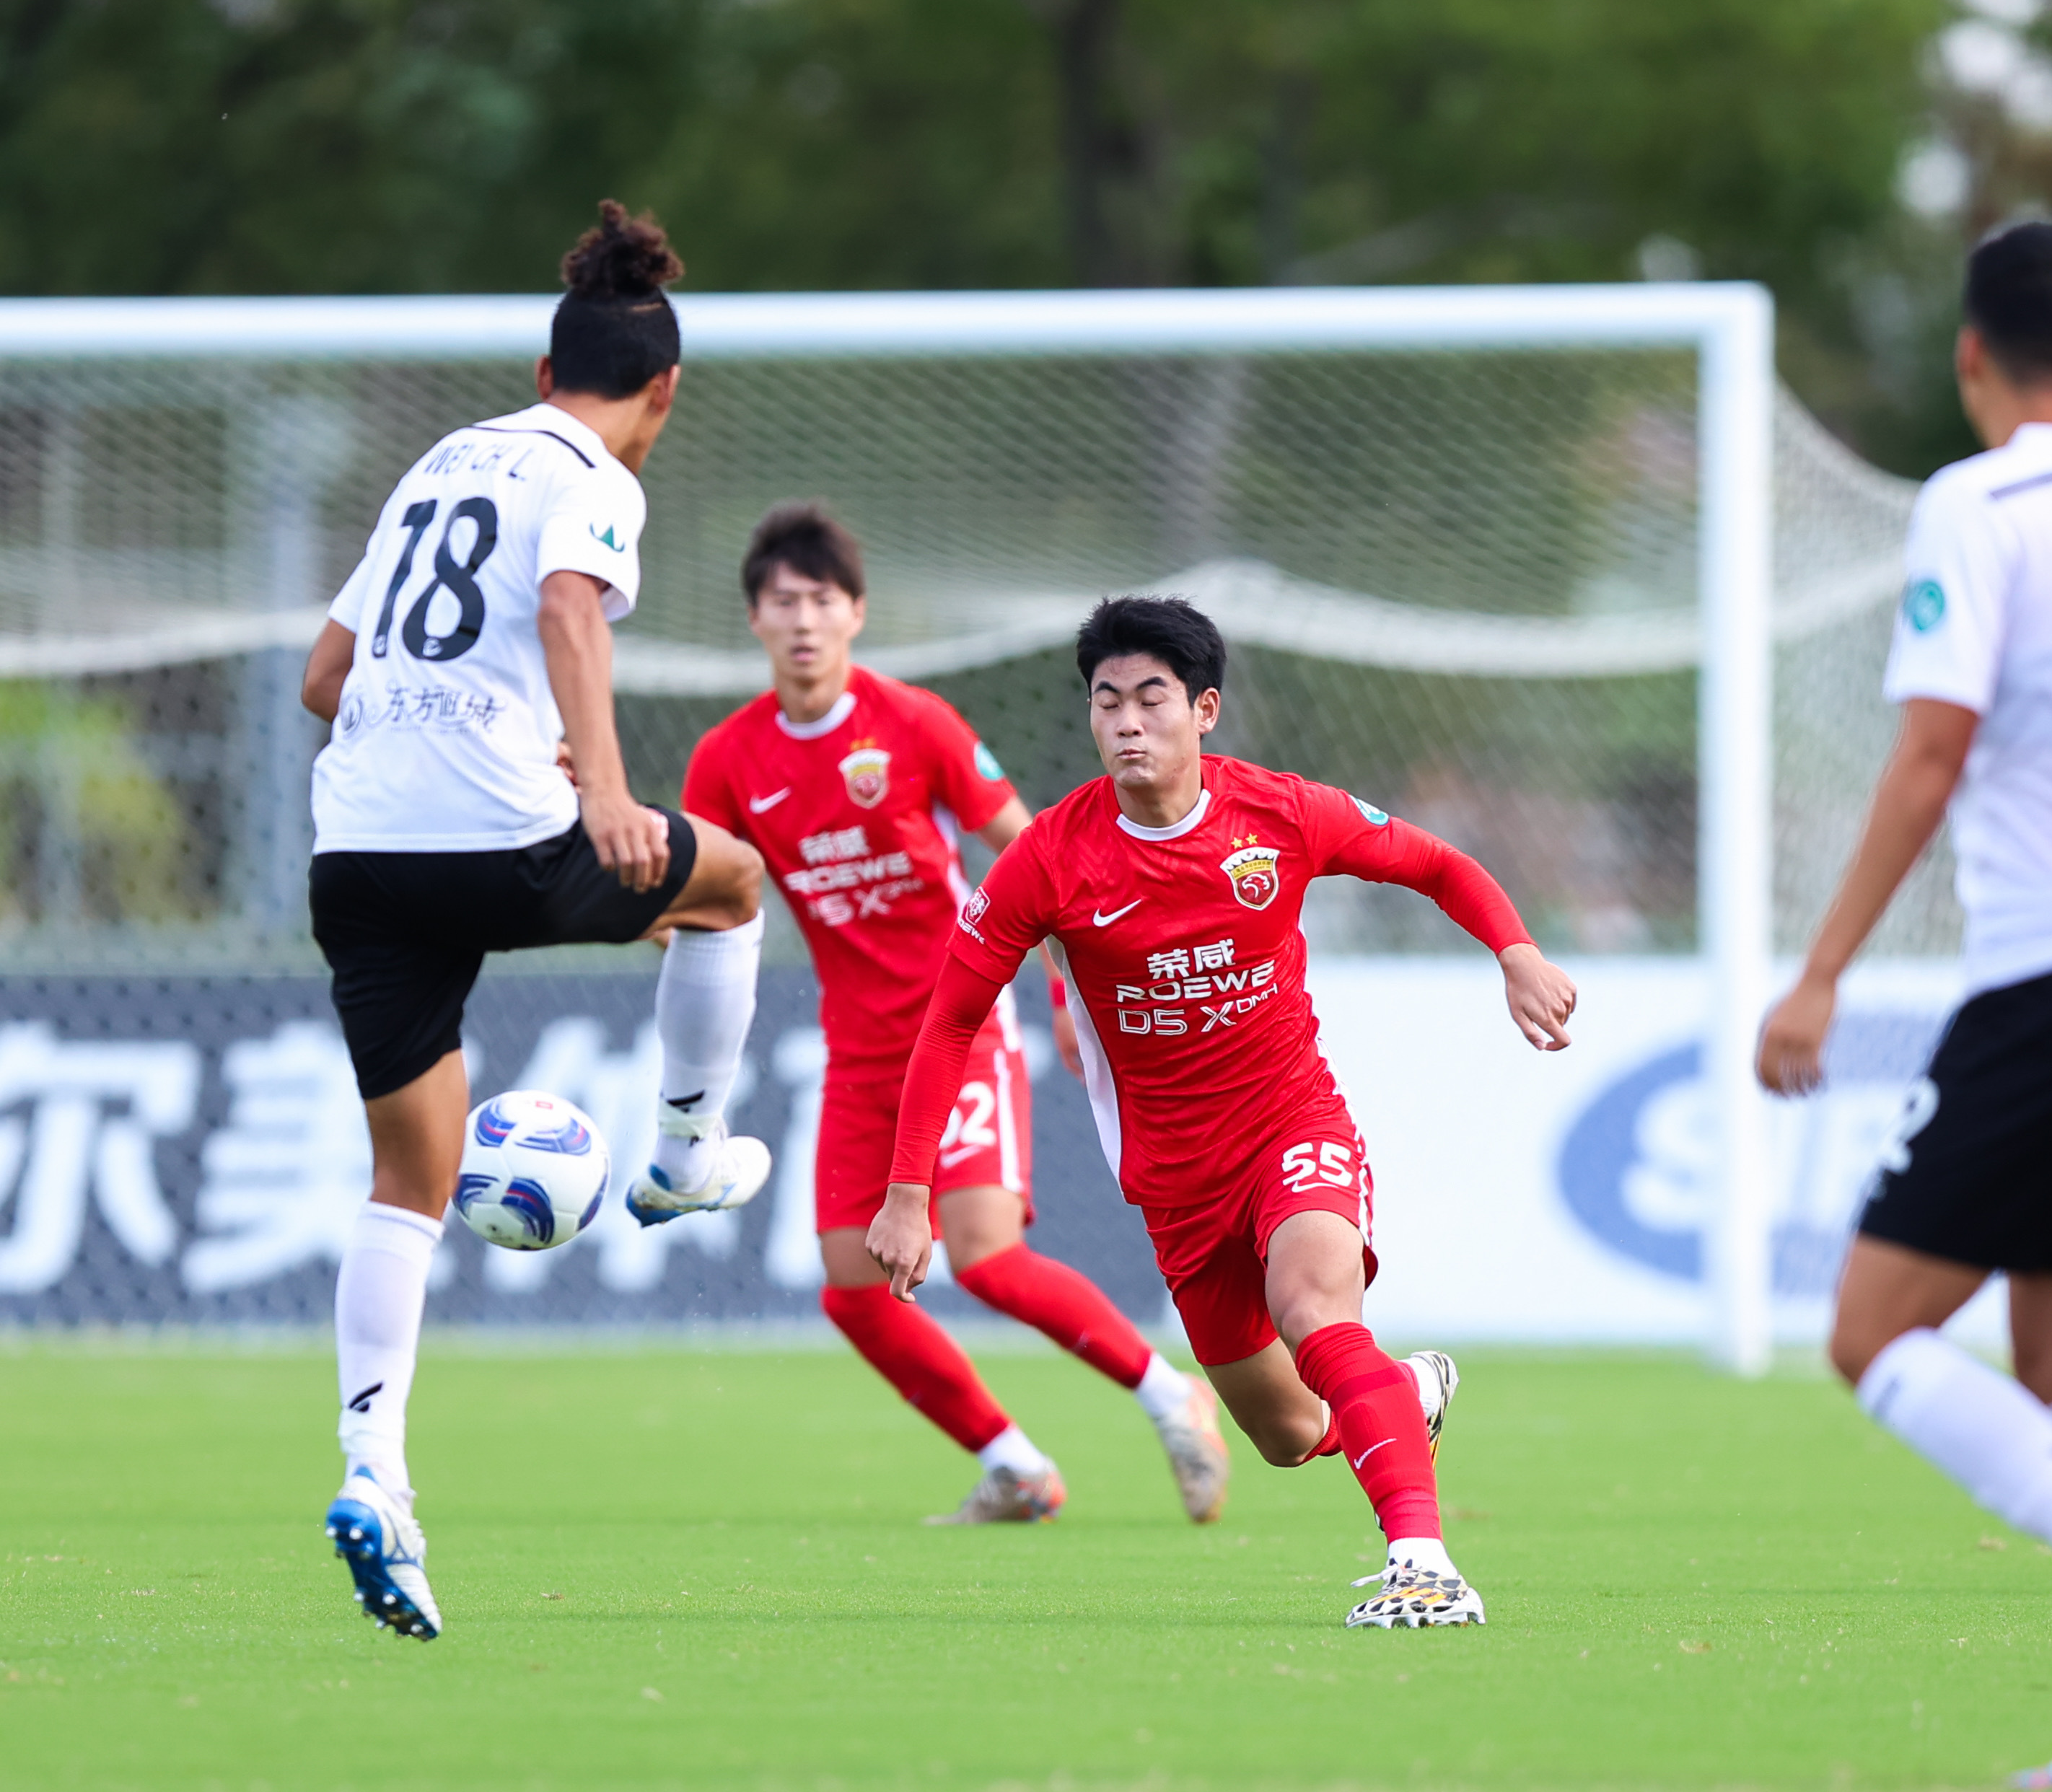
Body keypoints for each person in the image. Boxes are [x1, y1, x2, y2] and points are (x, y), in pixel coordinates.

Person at [1755, 221, 2052, 1788]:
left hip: (2048, 976)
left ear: (1970, 356)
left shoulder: (1971, 502)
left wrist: (1819, 969)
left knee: (1867, 1334)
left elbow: (1927, 749)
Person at [867, 596, 1578, 1628]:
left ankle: (1421, 1566)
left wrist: (1514, 950)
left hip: (1293, 1124)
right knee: (1289, 1434)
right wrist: (906, 1193)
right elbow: (948, 1023)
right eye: (1106, 702)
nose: (1125, 722)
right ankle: (1403, 1399)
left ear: (1203, 712)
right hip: (1176, 1185)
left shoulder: (1281, 813)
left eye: (1150, 699)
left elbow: (1433, 863)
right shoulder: (1050, 859)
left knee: (1315, 1311)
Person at [301, 202, 775, 1641]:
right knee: (734, 878)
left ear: (540, 356)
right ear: (663, 391)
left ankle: (374, 1469)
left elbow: (327, 676)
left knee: (409, 1180)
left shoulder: (438, 462)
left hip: (357, 854)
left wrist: (510, 749)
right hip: (495, 846)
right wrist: (611, 795)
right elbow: (571, 609)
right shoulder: (597, 473)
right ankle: (686, 1157)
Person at [680, 504, 1232, 1526]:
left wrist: (1073, 995)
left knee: (983, 1255)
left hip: (963, 1026)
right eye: (781, 602)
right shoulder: (727, 761)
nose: (802, 620)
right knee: (852, 1291)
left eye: (821, 600)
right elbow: (693, 911)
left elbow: (1039, 860)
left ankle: (1171, 1394)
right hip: (854, 1051)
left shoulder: (916, 725)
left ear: (856, 614)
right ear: (754, 619)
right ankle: (1015, 1465)